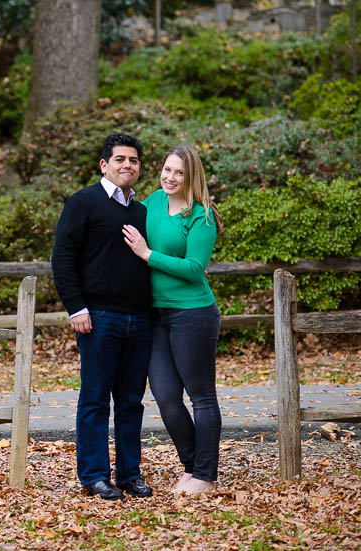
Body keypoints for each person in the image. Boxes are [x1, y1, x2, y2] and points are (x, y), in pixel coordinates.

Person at [51, 133, 153, 501]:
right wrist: (76, 308)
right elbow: (63, 259)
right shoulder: (83, 202)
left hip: (139, 320)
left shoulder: (142, 211)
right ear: (104, 165)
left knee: (131, 402)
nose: (128, 165)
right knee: (95, 399)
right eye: (121, 159)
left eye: (135, 160)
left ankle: (130, 474)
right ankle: (94, 475)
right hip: (98, 318)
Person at [122, 144, 223, 495]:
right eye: (167, 169)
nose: (170, 177)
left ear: (191, 176)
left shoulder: (202, 216)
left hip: (193, 313)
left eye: (179, 172)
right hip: (156, 315)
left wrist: (147, 254)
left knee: (201, 396)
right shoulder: (151, 202)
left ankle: (206, 476)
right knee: (165, 395)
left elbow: (195, 270)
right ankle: (192, 467)